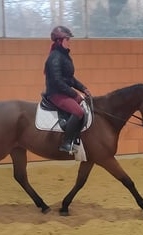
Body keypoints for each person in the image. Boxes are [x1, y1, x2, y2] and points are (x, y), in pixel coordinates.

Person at [43, 25, 91, 154]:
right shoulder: (55, 57)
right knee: (79, 112)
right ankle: (66, 142)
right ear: (60, 41)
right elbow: (57, 81)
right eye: (67, 39)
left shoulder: (64, 56)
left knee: (85, 104)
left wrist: (83, 88)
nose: (70, 42)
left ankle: (77, 139)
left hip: (63, 91)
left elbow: (70, 79)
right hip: (56, 93)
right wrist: (74, 94)